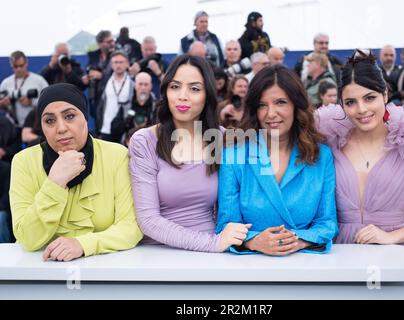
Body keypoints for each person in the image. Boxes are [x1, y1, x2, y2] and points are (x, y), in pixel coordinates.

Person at [315, 49, 404, 262]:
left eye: (370, 98)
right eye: (350, 102)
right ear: (341, 104)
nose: (361, 109)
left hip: (396, 253)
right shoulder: (329, 142)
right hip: (340, 254)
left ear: (385, 94)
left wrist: (391, 237)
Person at [128, 55, 250, 252]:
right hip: (159, 254)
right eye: (175, 86)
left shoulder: (222, 137)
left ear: (207, 95)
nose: (182, 96)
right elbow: (148, 220)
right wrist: (212, 244)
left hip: (215, 255)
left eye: (194, 89)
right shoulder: (145, 140)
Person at [9, 83, 143, 261]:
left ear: (85, 118)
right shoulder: (23, 162)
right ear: (42, 127)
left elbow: (131, 228)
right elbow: (27, 239)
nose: (61, 128)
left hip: (108, 270)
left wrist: (83, 244)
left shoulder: (117, 156)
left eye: (70, 116)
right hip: (42, 272)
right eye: (50, 120)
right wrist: (55, 183)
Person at [216, 65, 338, 255]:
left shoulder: (321, 156)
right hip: (249, 267)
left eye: (280, 102)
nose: (271, 113)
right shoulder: (234, 155)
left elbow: (327, 223)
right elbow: (227, 224)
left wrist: (297, 241)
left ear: (296, 106)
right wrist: (254, 241)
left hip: (306, 265)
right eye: (262, 105)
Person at [0, 51, 48, 128]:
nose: (18, 69)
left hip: (34, 126)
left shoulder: (39, 80)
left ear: (26, 63)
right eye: (15, 66)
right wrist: (3, 104)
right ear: (11, 65)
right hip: (12, 126)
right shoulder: (5, 83)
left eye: (21, 66)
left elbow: (48, 101)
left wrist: (32, 102)